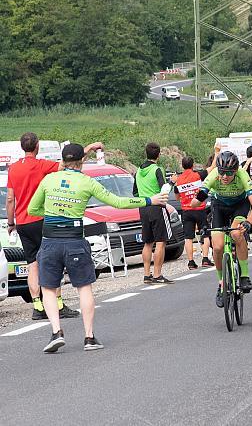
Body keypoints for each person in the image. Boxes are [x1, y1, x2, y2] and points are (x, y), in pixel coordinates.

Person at [28, 143, 168, 353]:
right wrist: (150, 200)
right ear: (82, 162)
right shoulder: (87, 182)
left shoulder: (49, 180)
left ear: (63, 161)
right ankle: (89, 337)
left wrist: (50, 214)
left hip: (50, 240)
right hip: (75, 240)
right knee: (84, 287)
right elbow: (118, 202)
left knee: (48, 287)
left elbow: (32, 208)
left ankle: (56, 332)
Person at [6, 132, 101, 320]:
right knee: (52, 263)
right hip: (42, 219)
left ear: (22, 147)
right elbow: (69, 163)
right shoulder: (42, 165)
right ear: (37, 146)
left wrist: (11, 223)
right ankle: (58, 304)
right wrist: (89, 148)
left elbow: (10, 198)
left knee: (32, 264)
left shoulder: (13, 168)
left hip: (23, 222)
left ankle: (37, 305)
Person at [191, 151, 252, 303]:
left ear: (235, 171)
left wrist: (248, 222)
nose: (224, 176)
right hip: (219, 206)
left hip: (239, 205)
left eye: (229, 173)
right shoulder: (214, 175)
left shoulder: (243, 175)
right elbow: (195, 202)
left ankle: (244, 276)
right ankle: (221, 283)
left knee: (237, 233)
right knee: (217, 247)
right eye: (222, 172)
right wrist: (197, 199)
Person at [133, 143, 173, 284]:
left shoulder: (137, 171)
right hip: (157, 207)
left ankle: (146, 274)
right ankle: (157, 274)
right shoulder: (157, 169)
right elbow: (164, 190)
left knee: (148, 242)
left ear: (146, 153)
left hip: (143, 207)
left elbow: (135, 192)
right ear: (159, 155)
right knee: (161, 241)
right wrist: (172, 182)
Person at [174, 157, 212, 270]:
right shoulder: (197, 175)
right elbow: (211, 168)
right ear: (193, 165)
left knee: (188, 237)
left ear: (182, 166)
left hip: (186, 210)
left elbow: (177, 197)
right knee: (204, 234)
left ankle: (191, 262)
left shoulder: (179, 180)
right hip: (199, 209)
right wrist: (216, 153)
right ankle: (205, 259)